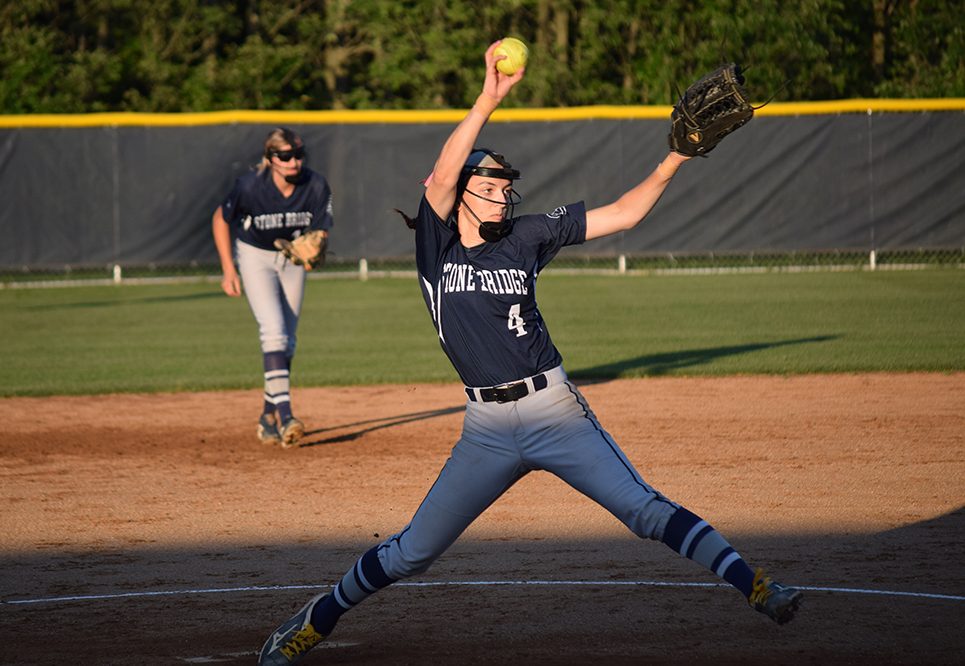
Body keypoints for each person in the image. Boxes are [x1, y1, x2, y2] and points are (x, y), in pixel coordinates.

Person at [257, 42, 802, 665]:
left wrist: (674, 157)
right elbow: (440, 174)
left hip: (554, 413)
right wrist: (488, 98)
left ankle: (756, 586)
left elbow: (624, 214)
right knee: (412, 552)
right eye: (491, 183)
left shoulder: (527, 235)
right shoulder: (437, 249)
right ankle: (312, 622)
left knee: (644, 511)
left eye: (505, 185)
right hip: (486, 430)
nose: (503, 193)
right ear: (461, 193)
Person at [212, 128, 333, 449]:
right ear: (270, 158)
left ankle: (267, 418)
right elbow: (221, 218)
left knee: (288, 341)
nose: (294, 161)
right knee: (274, 332)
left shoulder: (316, 184)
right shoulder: (250, 186)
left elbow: (320, 231)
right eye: (284, 156)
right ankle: (286, 416)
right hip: (255, 257)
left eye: (298, 155)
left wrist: (314, 250)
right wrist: (228, 268)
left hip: (291, 258)